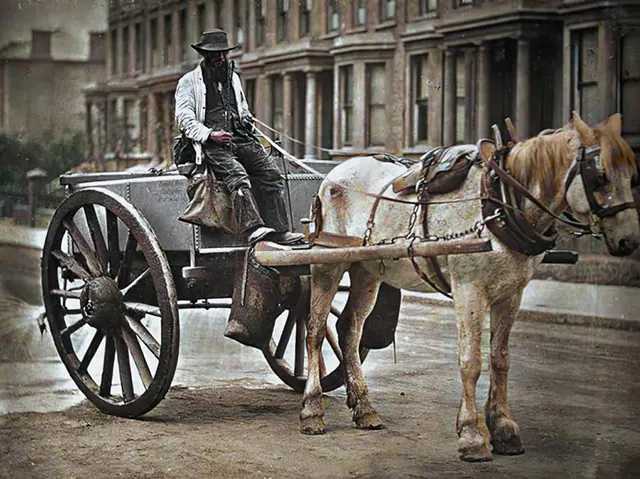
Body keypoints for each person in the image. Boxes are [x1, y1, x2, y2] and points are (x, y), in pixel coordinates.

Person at [174, 29, 304, 245]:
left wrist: (246, 121)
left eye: (223, 54)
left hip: (240, 139)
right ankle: (252, 228)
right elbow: (184, 118)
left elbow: (242, 108)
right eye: (215, 54)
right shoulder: (189, 82)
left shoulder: (233, 78)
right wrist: (210, 134)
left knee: (270, 173)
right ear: (204, 55)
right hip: (211, 146)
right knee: (237, 175)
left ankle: (280, 231)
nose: (220, 58)